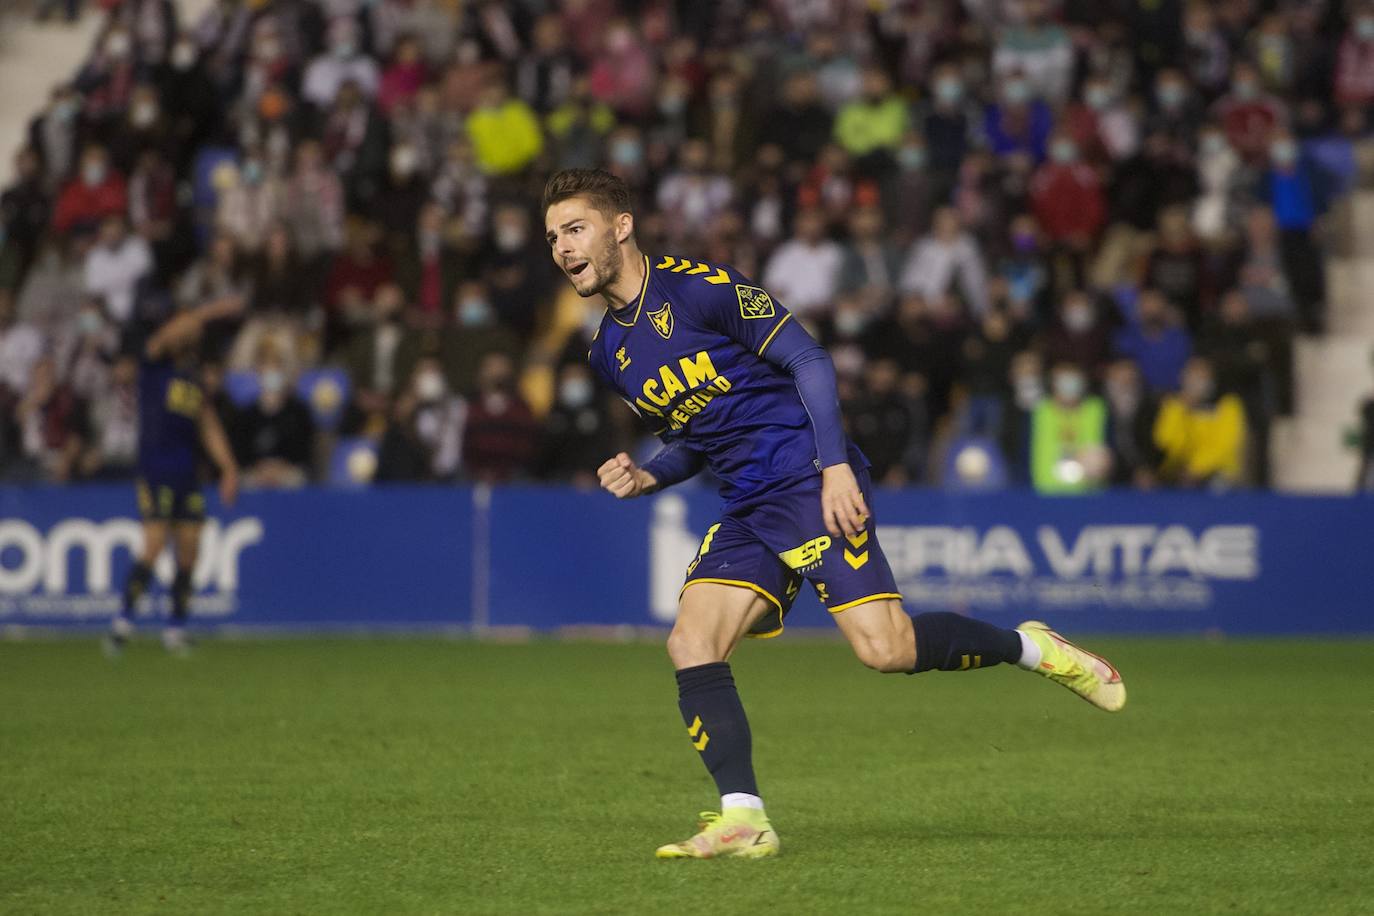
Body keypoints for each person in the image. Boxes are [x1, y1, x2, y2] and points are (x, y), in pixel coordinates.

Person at [542, 168, 1126, 862]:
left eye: (575, 229)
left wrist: (834, 467)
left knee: (887, 650)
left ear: (622, 225)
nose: (563, 248)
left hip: (806, 478)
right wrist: (647, 474)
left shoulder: (700, 289)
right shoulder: (610, 351)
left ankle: (1034, 648)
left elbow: (808, 360)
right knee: (690, 641)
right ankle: (743, 818)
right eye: (553, 237)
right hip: (748, 505)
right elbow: (696, 435)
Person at [105, 295, 240, 657]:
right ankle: (122, 624)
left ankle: (175, 629)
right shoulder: (153, 363)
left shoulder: (192, 378)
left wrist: (228, 467)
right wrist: (211, 310)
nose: (193, 331)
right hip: (155, 469)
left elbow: (207, 423)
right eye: (186, 325)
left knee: (190, 552)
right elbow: (170, 335)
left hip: (187, 474)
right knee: (152, 545)